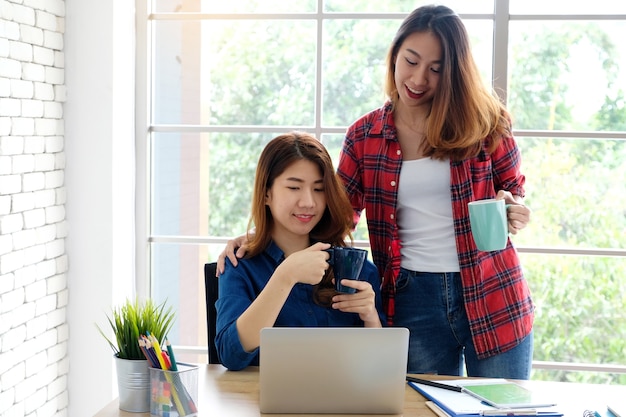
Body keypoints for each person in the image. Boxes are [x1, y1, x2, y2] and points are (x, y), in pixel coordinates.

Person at [218, 4, 533, 379]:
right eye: (410, 61)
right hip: (411, 298)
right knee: (419, 407)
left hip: (491, 291)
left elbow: (512, 189)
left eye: (436, 69)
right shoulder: (364, 136)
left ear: (454, 72)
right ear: (394, 56)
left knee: (501, 407)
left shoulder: (487, 124)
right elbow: (330, 213)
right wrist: (255, 238)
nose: (419, 78)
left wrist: (512, 207)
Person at [215, 132, 384, 371]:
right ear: (266, 193)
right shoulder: (239, 265)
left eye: (319, 189)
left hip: (343, 404)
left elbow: (378, 368)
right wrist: (285, 276)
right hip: (262, 404)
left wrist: (370, 318)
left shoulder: (356, 269)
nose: (308, 202)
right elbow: (230, 354)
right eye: (294, 187)